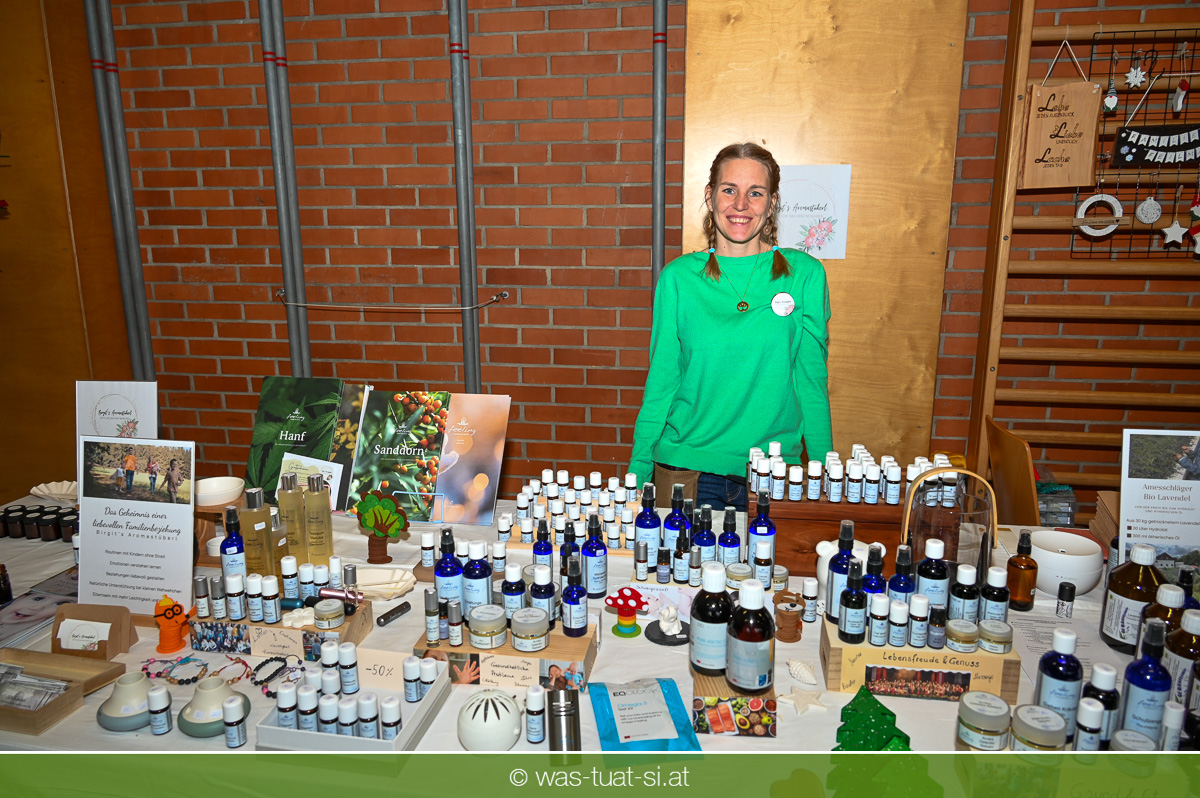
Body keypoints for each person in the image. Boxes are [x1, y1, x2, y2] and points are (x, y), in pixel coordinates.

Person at [629, 142, 833, 511]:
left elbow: (811, 383)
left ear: (771, 202)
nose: (741, 204)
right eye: (729, 190)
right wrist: (637, 476)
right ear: (710, 197)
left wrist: (824, 480)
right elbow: (662, 384)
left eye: (755, 193)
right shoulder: (678, 278)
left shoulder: (804, 274)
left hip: (773, 477)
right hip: (686, 471)